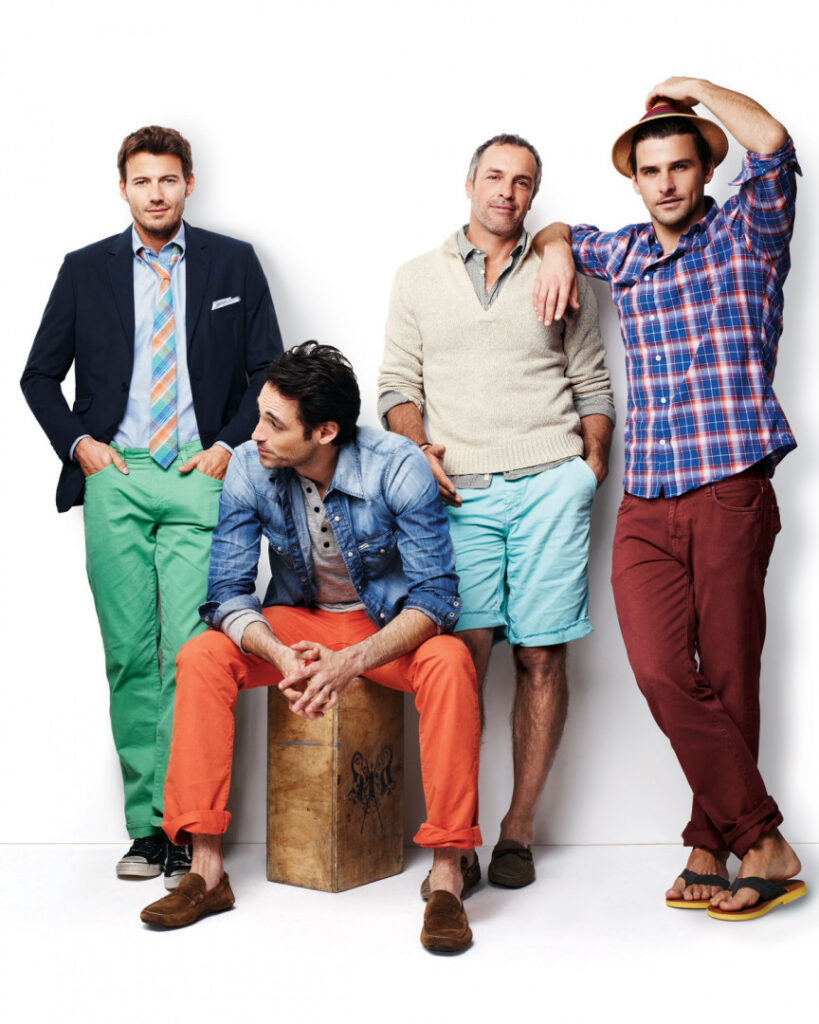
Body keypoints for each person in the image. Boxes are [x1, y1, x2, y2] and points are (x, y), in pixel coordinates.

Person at [532, 77, 806, 920]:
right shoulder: (623, 252)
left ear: (703, 169)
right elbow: (557, 231)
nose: (665, 183)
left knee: (726, 674)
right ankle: (760, 838)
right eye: (649, 170)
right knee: (657, 670)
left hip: (728, 484)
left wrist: (692, 89)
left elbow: (773, 145)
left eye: (679, 166)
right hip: (646, 497)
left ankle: (709, 844)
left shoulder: (747, 230)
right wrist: (553, 249)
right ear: (634, 180)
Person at [139, 343, 482, 954]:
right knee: (201, 656)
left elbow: (437, 599)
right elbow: (226, 593)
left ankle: (448, 874)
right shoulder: (249, 466)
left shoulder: (397, 464)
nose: (256, 434)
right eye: (260, 416)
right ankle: (206, 871)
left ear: (325, 431)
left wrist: (352, 662)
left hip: (381, 627)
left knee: (450, 663)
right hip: (296, 623)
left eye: (274, 423)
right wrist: (278, 653)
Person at [21, 125, 282, 888]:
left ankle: (188, 825)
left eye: (169, 179)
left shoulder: (233, 262)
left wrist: (227, 446)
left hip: (201, 471)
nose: (156, 193)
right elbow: (39, 375)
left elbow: (267, 368)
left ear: (188, 182)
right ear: (123, 188)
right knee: (132, 656)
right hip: (118, 474)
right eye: (142, 181)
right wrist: (80, 446)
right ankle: (147, 828)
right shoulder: (85, 269)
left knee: (194, 655)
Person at [378, 134, 615, 892]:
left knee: (541, 657)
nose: (506, 192)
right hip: (459, 494)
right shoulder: (417, 277)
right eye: (494, 176)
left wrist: (589, 467)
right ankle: (460, 834)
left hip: (550, 483)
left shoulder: (558, 271)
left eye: (522, 182)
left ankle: (518, 830)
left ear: (532, 195)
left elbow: (592, 383)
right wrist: (419, 448)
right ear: (469, 183)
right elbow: (396, 386)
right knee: (461, 662)